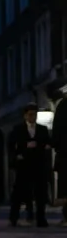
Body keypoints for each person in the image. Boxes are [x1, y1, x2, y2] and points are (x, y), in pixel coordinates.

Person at [8, 103, 52, 228]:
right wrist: (18, 154)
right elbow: (11, 146)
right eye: (31, 115)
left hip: (38, 164)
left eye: (35, 115)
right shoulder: (18, 129)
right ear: (25, 116)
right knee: (19, 192)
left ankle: (41, 218)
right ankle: (13, 218)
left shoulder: (42, 129)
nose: (33, 117)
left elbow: (48, 143)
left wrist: (42, 146)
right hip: (24, 165)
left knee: (40, 193)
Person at [51, 84, 67, 226]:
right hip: (64, 154)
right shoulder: (62, 106)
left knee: (65, 186)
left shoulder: (62, 106)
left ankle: (66, 216)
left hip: (64, 153)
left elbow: (56, 132)